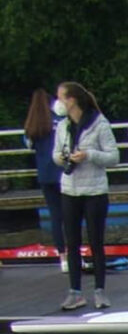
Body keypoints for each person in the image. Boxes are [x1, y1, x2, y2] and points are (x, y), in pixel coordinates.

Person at [52, 82, 119, 311]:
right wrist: (63, 158)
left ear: (72, 100)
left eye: (61, 98)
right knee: (72, 242)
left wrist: (89, 154)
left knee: (95, 241)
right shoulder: (63, 126)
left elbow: (113, 156)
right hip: (70, 189)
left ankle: (100, 291)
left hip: (95, 191)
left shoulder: (99, 123)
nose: (58, 102)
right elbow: (55, 155)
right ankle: (75, 292)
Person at [23, 88, 67, 273]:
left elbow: (29, 145)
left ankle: (62, 257)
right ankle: (75, 254)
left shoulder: (32, 126)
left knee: (56, 217)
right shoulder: (58, 121)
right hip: (63, 172)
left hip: (45, 175)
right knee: (71, 215)